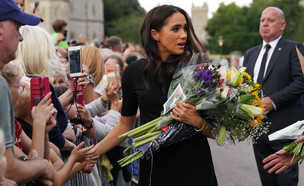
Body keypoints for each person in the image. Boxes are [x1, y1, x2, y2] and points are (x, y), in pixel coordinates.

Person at [90, 5, 218, 186]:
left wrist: (197, 121)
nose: (184, 35)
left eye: (185, 28)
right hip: (154, 165)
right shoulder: (134, 72)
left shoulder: (200, 71)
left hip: (195, 165)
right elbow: (124, 126)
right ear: (155, 34)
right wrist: (93, 153)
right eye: (176, 29)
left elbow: (215, 131)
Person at [243, 6, 304, 186]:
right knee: (267, 181)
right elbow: (244, 88)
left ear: (282, 25)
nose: (265, 24)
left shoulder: (295, 48)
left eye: (270, 20)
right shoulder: (250, 54)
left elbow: (301, 81)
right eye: (262, 20)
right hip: (258, 131)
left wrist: (273, 101)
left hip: (286, 129)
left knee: (286, 182)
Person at [0, 0, 55, 184]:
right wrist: (42, 166)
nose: (21, 38)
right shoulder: (1, 85)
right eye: (17, 29)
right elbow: (9, 169)